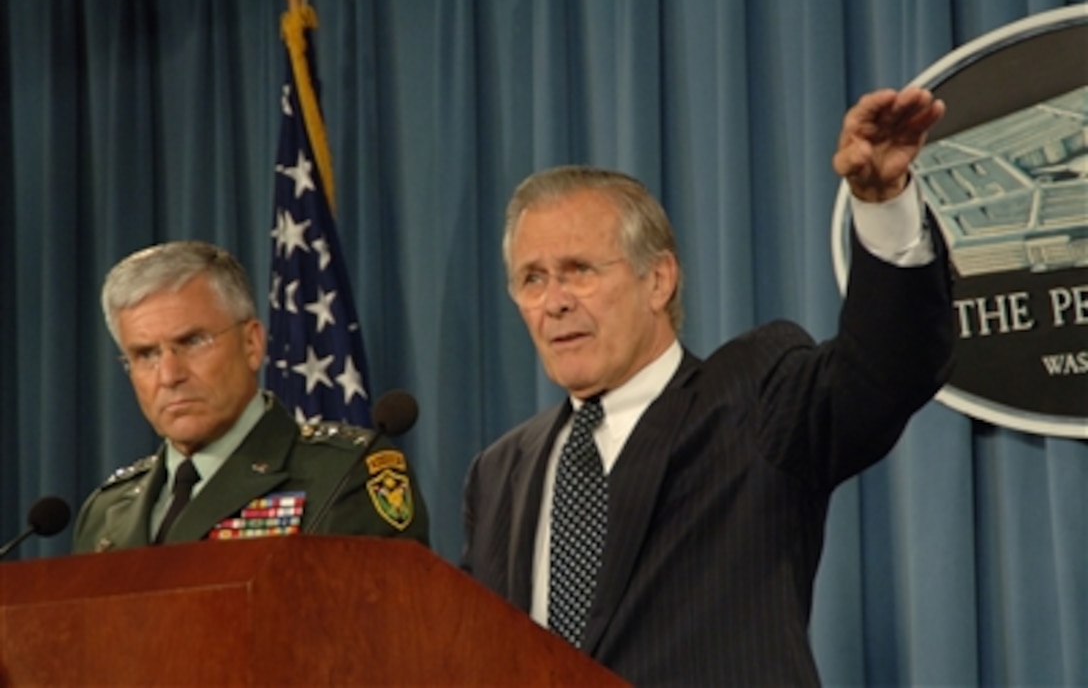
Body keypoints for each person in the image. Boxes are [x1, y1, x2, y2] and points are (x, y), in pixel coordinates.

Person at [460, 87, 954, 685]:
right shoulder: (500, 471)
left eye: (579, 271)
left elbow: (889, 369)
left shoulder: (754, 398)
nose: (555, 303)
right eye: (532, 279)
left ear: (659, 280)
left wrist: (880, 202)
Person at [72, 241, 428, 553]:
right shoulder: (105, 512)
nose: (169, 376)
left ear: (252, 344)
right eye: (146, 354)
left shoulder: (345, 476)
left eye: (193, 342)